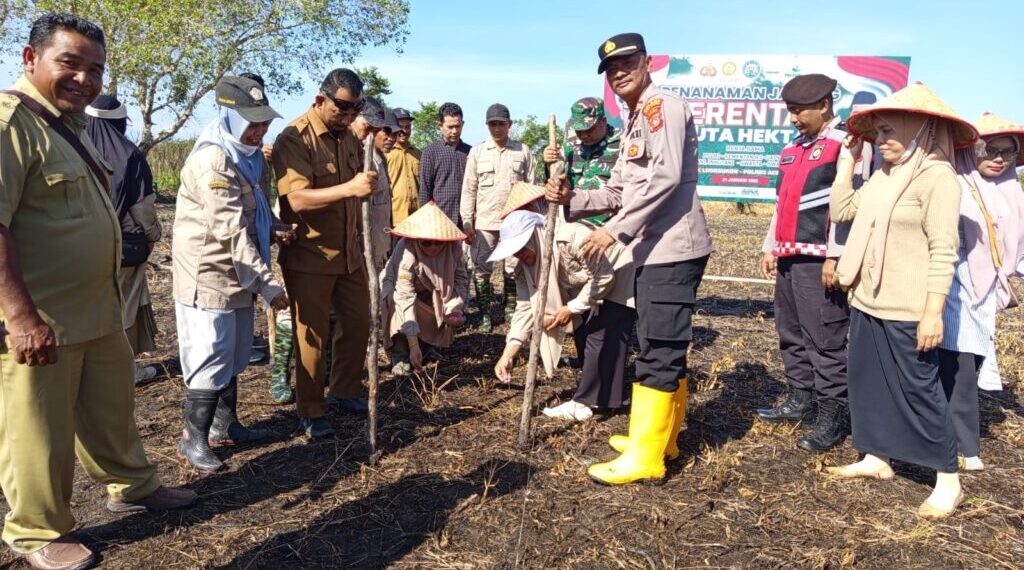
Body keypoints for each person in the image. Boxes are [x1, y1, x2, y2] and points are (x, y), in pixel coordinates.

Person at [0, 13, 196, 569]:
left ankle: (131, 483)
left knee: (112, 410)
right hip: (41, 320)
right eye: (71, 63)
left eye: (95, 69)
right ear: (30, 58)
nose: (85, 79)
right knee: (36, 430)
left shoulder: (71, 125)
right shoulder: (9, 124)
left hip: (97, 308)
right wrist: (19, 317)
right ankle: (38, 529)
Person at [546, 33, 713, 485]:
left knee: (659, 349)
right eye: (611, 69)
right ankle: (662, 439)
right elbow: (619, 190)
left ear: (647, 62)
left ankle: (646, 456)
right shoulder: (636, 117)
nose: (619, 73)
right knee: (659, 343)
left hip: (672, 247)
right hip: (651, 249)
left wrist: (614, 230)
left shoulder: (663, 108)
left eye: (627, 63)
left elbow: (665, 178)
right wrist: (573, 198)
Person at [827, 82, 975, 518]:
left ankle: (949, 480)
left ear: (920, 130)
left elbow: (944, 248)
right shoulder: (884, 175)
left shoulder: (937, 178)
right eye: (878, 132)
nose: (881, 139)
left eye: (891, 130)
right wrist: (847, 164)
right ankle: (876, 457)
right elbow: (842, 212)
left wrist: (933, 311)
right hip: (868, 299)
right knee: (867, 382)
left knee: (919, 389)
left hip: (910, 307)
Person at [172, 76, 287, 472]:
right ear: (228, 116)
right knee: (210, 352)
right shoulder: (213, 159)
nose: (260, 130)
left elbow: (254, 210)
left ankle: (225, 425)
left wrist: (276, 229)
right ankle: (193, 439)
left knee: (235, 351)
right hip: (210, 273)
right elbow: (230, 230)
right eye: (251, 123)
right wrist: (270, 285)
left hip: (242, 271)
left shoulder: (249, 156)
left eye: (263, 122)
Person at [272, 68, 376, 438]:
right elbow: (296, 198)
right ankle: (311, 408)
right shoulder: (294, 138)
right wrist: (350, 188)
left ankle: (345, 390)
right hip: (310, 257)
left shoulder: (347, 137)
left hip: (348, 256)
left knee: (359, 321)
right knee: (311, 336)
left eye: (355, 109)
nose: (349, 115)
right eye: (343, 107)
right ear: (320, 99)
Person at [755, 74, 851, 452]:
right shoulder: (793, 148)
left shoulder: (846, 145)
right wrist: (769, 246)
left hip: (819, 260)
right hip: (788, 255)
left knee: (824, 338)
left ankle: (832, 416)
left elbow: (847, 207)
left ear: (824, 105)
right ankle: (801, 399)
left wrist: (836, 254)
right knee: (790, 331)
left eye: (799, 111)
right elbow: (783, 205)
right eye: (789, 111)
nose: (793, 119)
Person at [491, 185, 636, 421]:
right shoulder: (524, 266)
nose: (520, 255)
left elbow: (604, 276)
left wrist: (572, 307)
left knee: (601, 333)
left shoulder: (569, 237)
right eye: (514, 251)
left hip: (620, 272)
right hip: (591, 285)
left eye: (521, 247)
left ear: (535, 234)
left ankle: (586, 402)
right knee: (584, 332)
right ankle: (602, 396)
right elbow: (526, 307)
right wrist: (509, 352)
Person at [938, 112, 1024, 471]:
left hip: (983, 293)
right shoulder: (953, 182)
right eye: (989, 150)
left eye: (1007, 152)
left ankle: (959, 443)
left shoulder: (1013, 192)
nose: (999, 158)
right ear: (971, 150)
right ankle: (958, 444)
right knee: (951, 362)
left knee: (964, 365)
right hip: (949, 285)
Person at [85, 94, 162, 385]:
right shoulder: (129, 154)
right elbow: (143, 209)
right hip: (123, 248)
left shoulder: (74, 149)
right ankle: (124, 371)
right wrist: (153, 236)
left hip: (82, 248)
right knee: (124, 311)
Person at [460, 103, 537, 332]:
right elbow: (469, 189)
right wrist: (467, 221)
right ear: (487, 126)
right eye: (492, 124)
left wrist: (530, 220)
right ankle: (484, 314)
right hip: (485, 223)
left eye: (501, 124)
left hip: (514, 222)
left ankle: (510, 308)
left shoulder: (522, 151)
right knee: (481, 269)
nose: (497, 129)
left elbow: (531, 187)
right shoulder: (478, 152)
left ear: (509, 125)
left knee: (513, 267)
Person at [381, 202, 469, 375]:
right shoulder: (407, 250)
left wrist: (455, 308)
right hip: (400, 290)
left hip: (434, 292)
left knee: (438, 305)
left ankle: (426, 345)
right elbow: (405, 297)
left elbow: (460, 281)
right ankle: (400, 353)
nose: (433, 247)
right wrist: (412, 346)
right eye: (426, 243)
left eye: (438, 243)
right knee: (395, 302)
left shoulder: (454, 249)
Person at [542, 96, 621, 228]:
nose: (583, 135)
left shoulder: (622, 144)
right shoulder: (570, 144)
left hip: (606, 227)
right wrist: (549, 162)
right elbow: (556, 179)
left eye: (589, 129)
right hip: (572, 224)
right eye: (578, 130)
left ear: (603, 121)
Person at [419, 102, 470, 228]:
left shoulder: (471, 152)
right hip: (439, 219)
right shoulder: (430, 152)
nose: (454, 131)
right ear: (440, 126)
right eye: (450, 127)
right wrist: (425, 220)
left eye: (458, 126)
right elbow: (425, 189)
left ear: (463, 124)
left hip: (466, 220)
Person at [387, 107, 421, 226]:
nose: (404, 131)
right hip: (393, 217)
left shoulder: (418, 154)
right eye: (401, 127)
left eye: (407, 127)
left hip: (416, 217)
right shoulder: (385, 153)